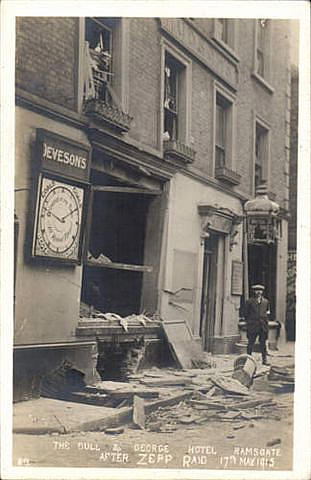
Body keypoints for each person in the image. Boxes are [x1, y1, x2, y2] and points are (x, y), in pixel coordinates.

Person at [244, 284, 270, 365]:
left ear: (262, 292)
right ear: (254, 291)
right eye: (257, 290)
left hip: (263, 326)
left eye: (260, 290)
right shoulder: (249, 301)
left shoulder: (266, 302)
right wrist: (249, 323)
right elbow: (245, 314)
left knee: (263, 343)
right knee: (250, 343)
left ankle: (264, 360)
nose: (259, 292)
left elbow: (267, 313)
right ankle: (248, 360)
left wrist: (266, 323)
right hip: (253, 325)